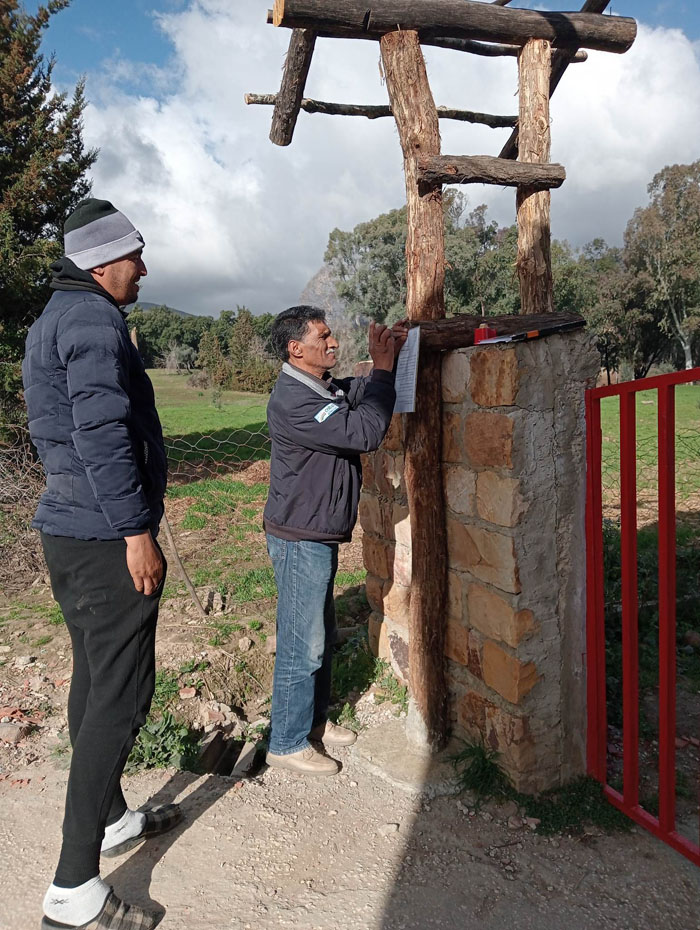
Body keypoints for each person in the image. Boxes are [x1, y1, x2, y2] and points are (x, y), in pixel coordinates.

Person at [23, 198, 181, 930]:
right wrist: (134, 529)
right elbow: (102, 435)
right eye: (136, 256)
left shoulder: (56, 315)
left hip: (69, 528)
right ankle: (73, 887)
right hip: (101, 536)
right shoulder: (91, 321)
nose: (144, 269)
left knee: (95, 677)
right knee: (121, 697)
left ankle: (113, 817)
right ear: (102, 262)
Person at [263, 305, 406, 775]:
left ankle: (313, 724)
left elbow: (357, 392)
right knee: (302, 643)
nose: (333, 343)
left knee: (317, 635)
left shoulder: (320, 388)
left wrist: (391, 359)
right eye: (323, 337)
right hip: (300, 536)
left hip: (314, 532)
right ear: (295, 348)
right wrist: (384, 368)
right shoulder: (294, 401)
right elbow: (364, 431)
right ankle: (286, 742)